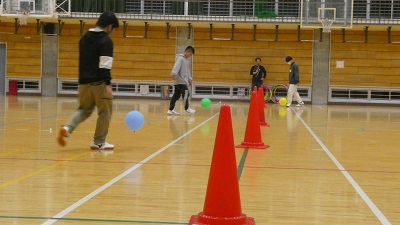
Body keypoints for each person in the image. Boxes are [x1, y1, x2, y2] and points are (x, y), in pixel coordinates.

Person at [57, 11, 119, 150]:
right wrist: (108, 85)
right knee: (105, 111)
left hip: (83, 82)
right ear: (109, 26)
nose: (112, 32)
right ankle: (99, 142)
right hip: (99, 83)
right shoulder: (106, 41)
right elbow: (105, 66)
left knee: (84, 109)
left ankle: (67, 128)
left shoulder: (84, 38)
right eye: (113, 29)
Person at [167, 46, 196, 115]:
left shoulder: (186, 60)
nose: (190, 56)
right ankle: (187, 108)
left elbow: (188, 71)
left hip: (182, 81)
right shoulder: (180, 58)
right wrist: (174, 74)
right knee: (186, 93)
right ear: (188, 52)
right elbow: (176, 67)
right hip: (180, 80)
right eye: (191, 54)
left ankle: (170, 109)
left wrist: (190, 79)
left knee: (176, 95)